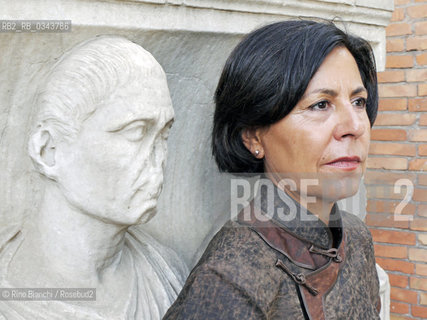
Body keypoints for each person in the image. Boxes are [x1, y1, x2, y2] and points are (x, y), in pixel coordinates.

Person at [163, 20, 380, 319]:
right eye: (320, 105)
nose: (354, 126)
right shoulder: (233, 273)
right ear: (253, 136)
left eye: (359, 101)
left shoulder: (356, 239)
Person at [0, 36, 187, 320]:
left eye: (164, 134)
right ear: (49, 151)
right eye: (136, 131)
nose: (158, 159)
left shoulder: (168, 273)